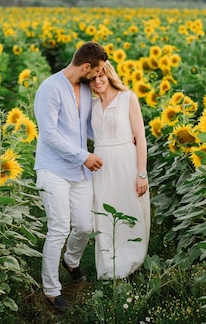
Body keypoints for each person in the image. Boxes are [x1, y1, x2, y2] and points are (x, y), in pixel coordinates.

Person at [33, 41, 109, 311]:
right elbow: (49, 134)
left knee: (85, 225)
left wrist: (113, 140)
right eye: (97, 71)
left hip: (78, 171)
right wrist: (84, 156)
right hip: (53, 169)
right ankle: (52, 291)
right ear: (86, 66)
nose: (98, 76)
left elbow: (86, 127)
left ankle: (72, 261)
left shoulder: (85, 90)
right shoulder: (50, 88)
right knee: (59, 229)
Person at [90, 61, 150, 280]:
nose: (98, 81)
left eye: (101, 75)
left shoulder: (128, 98)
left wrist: (141, 173)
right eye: (93, 78)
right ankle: (109, 264)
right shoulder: (93, 105)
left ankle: (130, 262)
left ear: (109, 74)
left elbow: (140, 138)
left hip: (126, 160)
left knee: (128, 207)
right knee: (104, 213)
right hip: (102, 165)